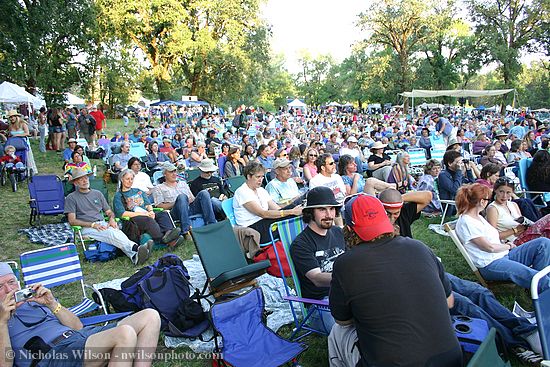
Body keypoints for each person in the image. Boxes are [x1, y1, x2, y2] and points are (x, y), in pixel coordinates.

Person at [328, 194, 461, 367]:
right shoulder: (419, 247)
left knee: (337, 332)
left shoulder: (346, 264)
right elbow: (449, 302)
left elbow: (342, 320)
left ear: (349, 229)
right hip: (450, 359)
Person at [0, 262, 161, 367]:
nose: (9, 290)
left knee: (150, 316)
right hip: (50, 355)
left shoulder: (34, 300)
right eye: (1, 286)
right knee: (125, 334)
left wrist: (52, 303)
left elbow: (77, 326)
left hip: (78, 337)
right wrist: (2, 321)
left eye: (11, 282)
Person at [455, 183, 550, 291]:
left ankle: (537, 288)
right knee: (533, 275)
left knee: (544, 243)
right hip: (491, 264)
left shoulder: (478, 217)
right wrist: (508, 246)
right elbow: (489, 247)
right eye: (488, 199)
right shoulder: (467, 222)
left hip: (503, 255)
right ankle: (541, 285)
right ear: (482, 201)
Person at [64, 168, 152, 265]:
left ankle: (135, 256)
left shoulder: (97, 194)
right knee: (111, 233)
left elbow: (109, 212)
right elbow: (72, 221)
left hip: (102, 223)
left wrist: (111, 219)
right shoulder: (71, 198)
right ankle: (136, 248)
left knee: (115, 231)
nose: (85, 181)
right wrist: (92, 224)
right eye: (81, 179)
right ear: (75, 183)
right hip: (85, 227)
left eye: (86, 178)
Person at [290, 187, 345, 333]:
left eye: (332, 209)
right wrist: (349, 278)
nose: (329, 215)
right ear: (310, 213)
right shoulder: (301, 244)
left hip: (347, 293)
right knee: (344, 330)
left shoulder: (339, 232)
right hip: (320, 305)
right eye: (322, 209)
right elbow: (317, 278)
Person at [233, 161, 302, 243]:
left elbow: (277, 209)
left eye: (262, 177)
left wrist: (291, 209)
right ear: (249, 176)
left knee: (296, 209)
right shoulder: (242, 192)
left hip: (263, 223)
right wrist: (291, 212)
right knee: (291, 214)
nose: (260, 180)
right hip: (252, 229)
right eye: (257, 177)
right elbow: (263, 213)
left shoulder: (261, 190)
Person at [113, 169, 183, 247]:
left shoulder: (138, 191)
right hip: (132, 218)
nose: (130, 181)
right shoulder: (118, 196)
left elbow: (147, 204)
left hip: (146, 213)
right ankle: (163, 240)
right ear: (122, 180)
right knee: (148, 220)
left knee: (163, 214)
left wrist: (151, 211)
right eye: (127, 179)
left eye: (131, 179)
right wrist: (144, 214)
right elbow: (122, 213)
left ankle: (168, 233)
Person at [152, 163, 217, 237]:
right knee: (182, 197)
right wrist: (177, 202)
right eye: (171, 172)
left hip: (190, 208)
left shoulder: (183, 183)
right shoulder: (159, 188)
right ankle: (186, 231)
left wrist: (189, 200)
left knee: (204, 193)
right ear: (164, 174)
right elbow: (159, 206)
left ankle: (212, 224)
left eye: (175, 171)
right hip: (175, 211)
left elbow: (192, 198)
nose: (174, 174)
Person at [487, 177, 550, 246]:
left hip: (523, 235)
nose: (504, 196)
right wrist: (515, 230)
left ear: (512, 193)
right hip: (512, 242)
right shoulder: (493, 208)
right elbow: (492, 236)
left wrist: (524, 227)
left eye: (508, 192)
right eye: (501, 192)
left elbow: (521, 223)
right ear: (495, 190)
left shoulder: (513, 204)